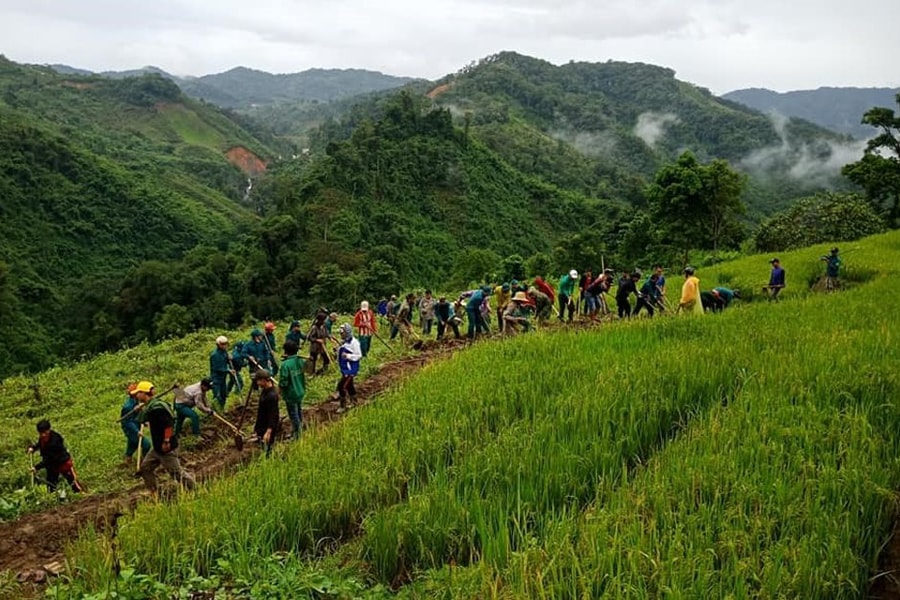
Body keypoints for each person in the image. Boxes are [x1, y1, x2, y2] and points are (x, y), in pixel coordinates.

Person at [136, 381, 196, 493]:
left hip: (166, 448)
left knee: (177, 474)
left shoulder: (157, 408)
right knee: (145, 468)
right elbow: (145, 420)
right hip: (157, 447)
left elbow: (168, 425)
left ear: (144, 393)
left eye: (138, 393)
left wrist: (167, 441)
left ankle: (196, 490)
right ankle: (154, 492)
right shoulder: (150, 407)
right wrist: (140, 410)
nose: (137, 396)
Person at [28, 419, 84, 494]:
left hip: (62, 463)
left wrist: (36, 467)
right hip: (52, 466)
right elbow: (40, 444)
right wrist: (33, 448)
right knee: (51, 485)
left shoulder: (55, 441)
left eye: (44, 433)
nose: (43, 435)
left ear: (49, 430)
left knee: (73, 482)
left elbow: (49, 459)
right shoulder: (43, 438)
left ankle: (80, 494)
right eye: (41, 433)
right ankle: (54, 498)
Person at [278, 340, 306, 440]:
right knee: (298, 410)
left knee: (293, 415)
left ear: (285, 351)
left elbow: (283, 382)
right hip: (300, 390)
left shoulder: (285, 365)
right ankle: (299, 428)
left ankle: (298, 435)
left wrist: (279, 392)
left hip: (291, 394)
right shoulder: (300, 361)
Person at [120, 383, 150, 466]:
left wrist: (144, 421)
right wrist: (137, 431)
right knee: (146, 445)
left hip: (136, 425)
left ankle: (127, 458)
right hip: (130, 429)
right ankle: (144, 462)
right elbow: (128, 422)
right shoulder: (128, 407)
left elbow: (139, 415)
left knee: (132, 443)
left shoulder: (138, 402)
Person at [335, 324, 363, 413]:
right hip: (345, 368)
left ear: (347, 333)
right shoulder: (345, 342)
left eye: (342, 333)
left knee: (341, 386)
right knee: (350, 385)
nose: (341, 335)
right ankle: (354, 402)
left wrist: (348, 356)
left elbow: (359, 355)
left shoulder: (354, 343)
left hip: (350, 370)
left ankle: (343, 406)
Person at [252, 371, 280, 457]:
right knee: (263, 445)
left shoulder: (271, 396)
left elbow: (273, 415)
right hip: (262, 424)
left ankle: (268, 460)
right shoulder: (265, 391)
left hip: (267, 426)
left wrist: (268, 431)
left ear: (265, 380)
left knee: (267, 447)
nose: (257, 383)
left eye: (259, 381)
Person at [209, 336, 234, 412]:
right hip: (216, 378)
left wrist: (229, 358)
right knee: (217, 395)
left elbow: (226, 361)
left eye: (226, 344)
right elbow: (217, 368)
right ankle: (214, 410)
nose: (225, 346)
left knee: (224, 394)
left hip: (223, 378)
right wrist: (228, 370)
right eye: (223, 344)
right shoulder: (214, 355)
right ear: (218, 345)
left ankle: (222, 409)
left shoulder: (225, 352)